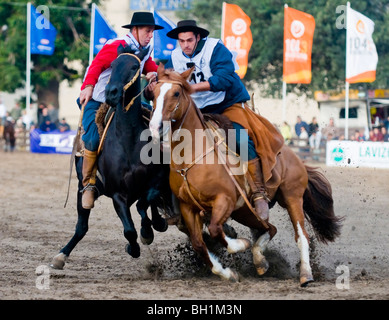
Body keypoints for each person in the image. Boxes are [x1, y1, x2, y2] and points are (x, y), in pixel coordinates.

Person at [164, 20, 284, 221]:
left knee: (239, 138)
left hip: (226, 104)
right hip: (197, 110)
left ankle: (258, 192)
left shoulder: (215, 49)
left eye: (189, 40)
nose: (185, 45)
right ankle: (173, 199)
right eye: (182, 40)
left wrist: (194, 88)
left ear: (198, 38)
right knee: (168, 145)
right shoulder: (174, 58)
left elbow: (226, 78)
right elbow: (167, 82)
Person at [78, 12, 164, 209]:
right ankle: (88, 185)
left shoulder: (144, 48)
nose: (151, 35)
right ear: (134, 30)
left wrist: (155, 75)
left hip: (124, 102)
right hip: (99, 99)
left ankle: (159, 180)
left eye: (152, 32)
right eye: (147, 31)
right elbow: (97, 65)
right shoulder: (116, 45)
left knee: (154, 125)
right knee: (91, 138)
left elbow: (148, 66)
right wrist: (88, 86)